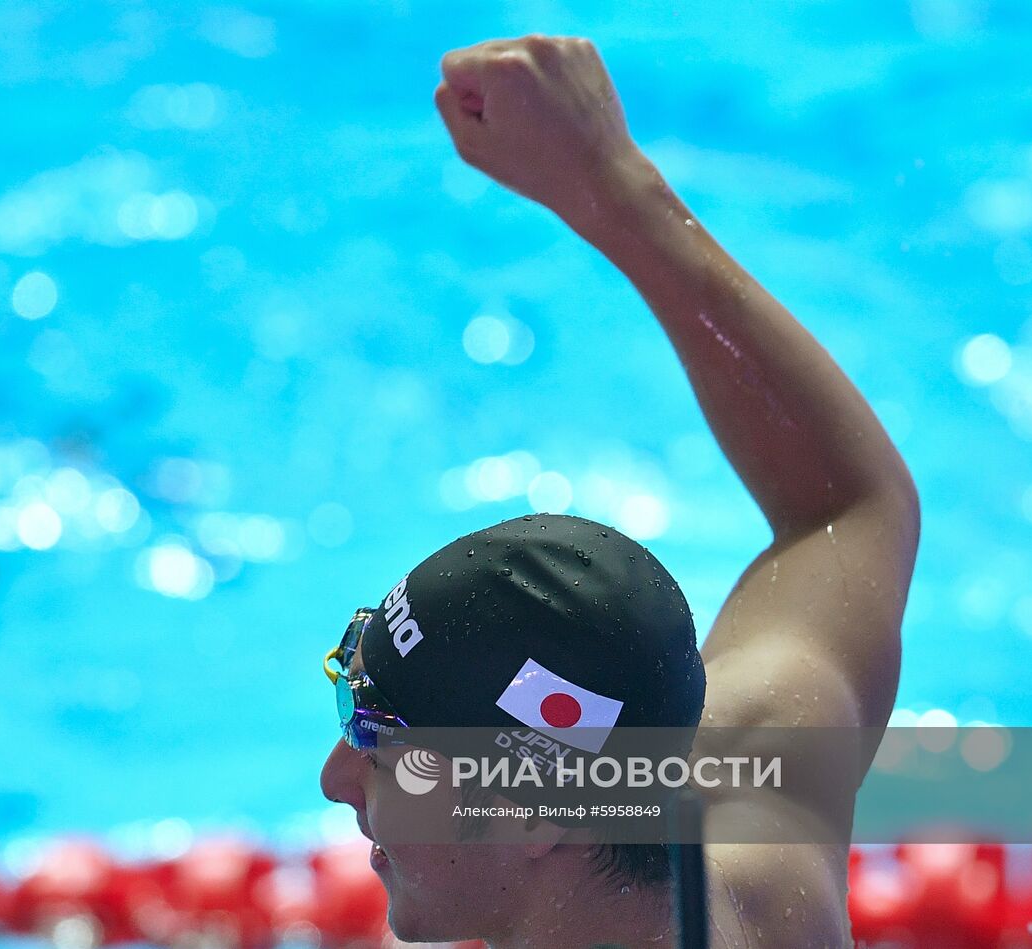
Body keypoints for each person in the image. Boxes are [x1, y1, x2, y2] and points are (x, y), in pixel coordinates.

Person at [320, 34, 920, 949]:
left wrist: (608, 184)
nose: (335, 777)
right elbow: (845, 508)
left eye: (378, 736)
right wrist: (606, 179)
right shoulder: (754, 828)